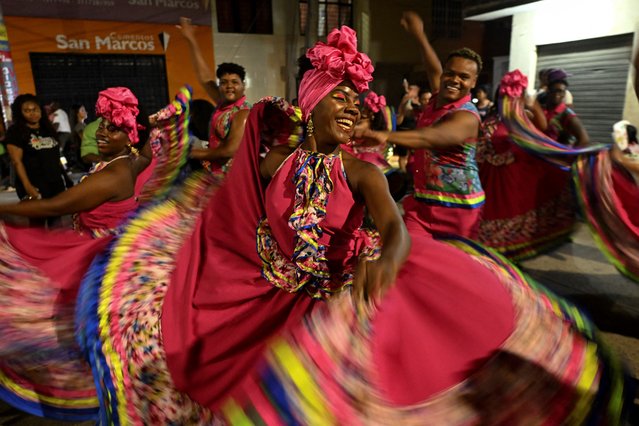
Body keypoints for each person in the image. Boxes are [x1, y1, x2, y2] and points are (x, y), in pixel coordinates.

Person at [75, 26, 631, 425]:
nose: (352, 107)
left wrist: (390, 253)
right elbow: (235, 198)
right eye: (337, 98)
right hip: (279, 294)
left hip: (341, 294)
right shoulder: (274, 162)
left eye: (357, 100)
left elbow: (393, 224)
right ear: (310, 104)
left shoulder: (363, 169)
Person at [0, 86, 193, 421]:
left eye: (114, 128)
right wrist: (165, 121)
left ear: (128, 136)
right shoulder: (130, 162)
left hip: (102, 264)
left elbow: (57, 205)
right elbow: (147, 155)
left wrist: (5, 211)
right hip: (112, 258)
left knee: (66, 319)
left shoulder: (115, 173)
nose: (103, 133)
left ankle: (101, 390)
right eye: (102, 124)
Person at [356, 11, 484, 238]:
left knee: (449, 270)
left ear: (473, 82)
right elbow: (433, 68)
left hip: (458, 210)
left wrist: (382, 135)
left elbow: (429, 137)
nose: (454, 80)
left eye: (463, 77)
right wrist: (419, 35)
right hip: (422, 201)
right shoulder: (437, 97)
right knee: (410, 258)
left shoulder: (467, 117)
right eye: (450, 73)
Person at [477, 70, 576, 260]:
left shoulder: (523, 118)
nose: (510, 99)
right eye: (506, 96)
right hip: (492, 181)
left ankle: (508, 255)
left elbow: (543, 127)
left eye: (514, 96)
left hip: (514, 180)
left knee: (514, 213)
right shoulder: (489, 121)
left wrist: (531, 102)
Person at [177, 17, 251, 175]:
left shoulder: (244, 112)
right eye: (224, 82)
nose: (229, 86)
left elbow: (229, 151)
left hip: (235, 178)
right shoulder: (222, 102)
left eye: (234, 82)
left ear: (243, 85)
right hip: (216, 174)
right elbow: (204, 78)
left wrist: (191, 153)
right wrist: (191, 40)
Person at [4, 94, 71, 227]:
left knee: (57, 223)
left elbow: (55, 157)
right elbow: (17, 162)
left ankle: (56, 247)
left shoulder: (48, 129)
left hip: (55, 182)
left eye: (35, 109)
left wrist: (66, 179)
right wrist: (28, 187)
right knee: (37, 224)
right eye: (27, 111)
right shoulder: (16, 132)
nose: (32, 113)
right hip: (35, 184)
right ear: (20, 113)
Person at [543, 69, 589, 146]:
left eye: (561, 91)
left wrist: (568, 155)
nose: (557, 94)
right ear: (548, 91)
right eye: (554, 90)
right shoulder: (543, 109)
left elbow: (585, 139)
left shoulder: (567, 114)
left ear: (564, 94)